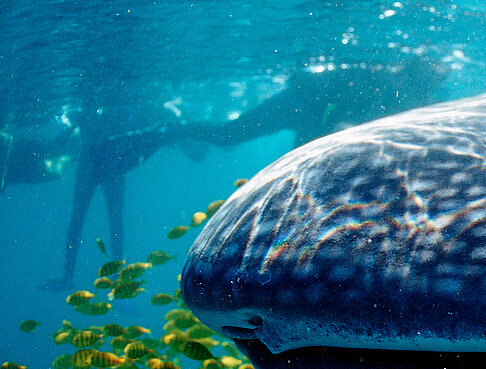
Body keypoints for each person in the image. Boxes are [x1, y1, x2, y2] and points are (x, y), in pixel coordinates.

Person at [44, 100, 198, 291]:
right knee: (104, 221)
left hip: (101, 163)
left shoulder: (93, 103)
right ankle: (107, 279)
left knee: (86, 220)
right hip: (110, 163)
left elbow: (67, 133)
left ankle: (81, 278)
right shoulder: (108, 104)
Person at [197, 55, 448, 149]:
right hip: (297, 105)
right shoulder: (386, 83)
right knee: (226, 137)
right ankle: (167, 130)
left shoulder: (406, 92)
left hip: (316, 120)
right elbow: (343, 115)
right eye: (434, 80)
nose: (437, 88)